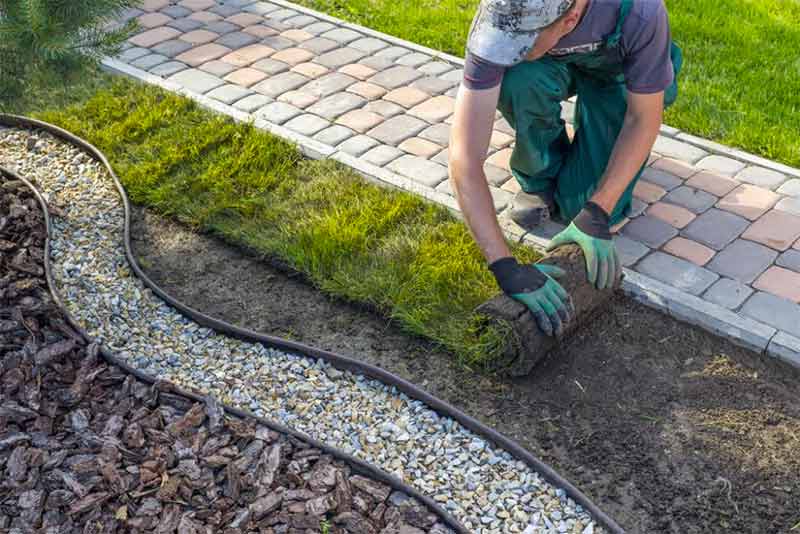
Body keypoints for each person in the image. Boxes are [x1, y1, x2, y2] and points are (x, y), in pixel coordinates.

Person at [449, 0, 682, 336]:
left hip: (615, 72)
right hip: (546, 65)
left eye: (521, 41)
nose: (506, 47)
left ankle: (592, 147)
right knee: (516, 75)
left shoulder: (640, 11)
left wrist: (597, 212)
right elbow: (464, 157)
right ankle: (538, 176)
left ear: (571, 18)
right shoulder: (503, 15)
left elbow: (643, 117)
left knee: (583, 209)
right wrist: (504, 265)